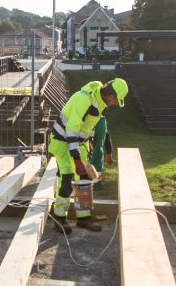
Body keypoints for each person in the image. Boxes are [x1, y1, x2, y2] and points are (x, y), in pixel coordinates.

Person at [47, 77, 129, 233]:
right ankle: (59, 219)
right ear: (111, 96)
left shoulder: (99, 101)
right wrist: (77, 160)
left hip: (79, 142)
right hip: (62, 141)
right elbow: (71, 130)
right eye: (116, 101)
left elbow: (88, 123)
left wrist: (89, 140)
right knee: (67, 178)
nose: (114, 104)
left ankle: (83, 219)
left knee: (84, 180)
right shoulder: (84, 99)